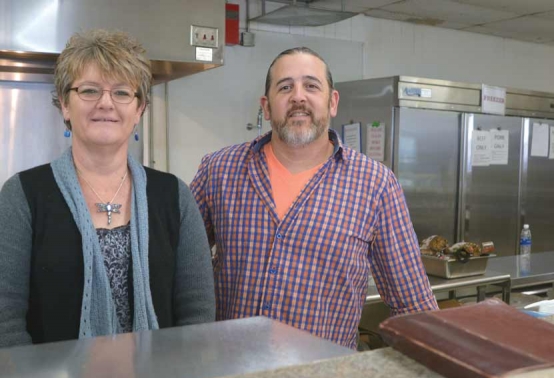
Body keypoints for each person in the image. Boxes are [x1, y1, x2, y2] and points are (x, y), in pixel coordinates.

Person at [191, 47, 438, 350]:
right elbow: (178, 269)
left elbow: (413, 305)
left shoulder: (375, 185)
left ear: (332, 102)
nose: (298, 97)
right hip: (228, 376)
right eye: (285, 87)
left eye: (311, 86)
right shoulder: (219, 170)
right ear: (266, 107)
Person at [0, 30, 215, 348]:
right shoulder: (22, 196)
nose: (105, 103)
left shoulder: (174, 196)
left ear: (139, 109)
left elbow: (197, 319)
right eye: (89, 90)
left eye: (122, 93)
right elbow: (6, 323)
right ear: (65, 105)